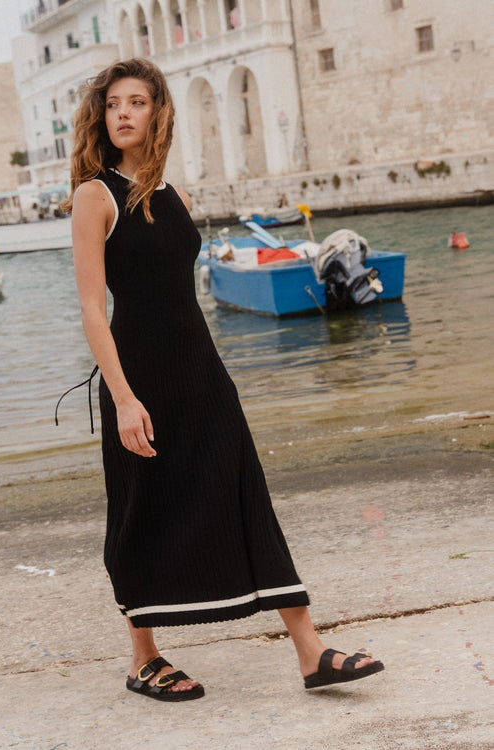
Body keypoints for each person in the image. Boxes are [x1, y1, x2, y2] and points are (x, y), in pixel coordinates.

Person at [60, 58, 384, 703]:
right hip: (139, 377)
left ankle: (311, 650)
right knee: (141, 512)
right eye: (113, 103)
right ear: (102, 116)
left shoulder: (172, 194)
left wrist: (214, 377)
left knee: (244, 495)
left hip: (201, 371)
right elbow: (94, 309)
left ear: (158, 113)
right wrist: (124, 399)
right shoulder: (94, 196)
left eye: (137, 102)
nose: (123, 113)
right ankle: (143, 658)